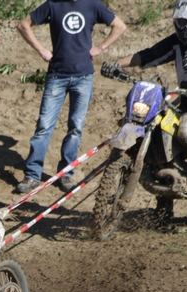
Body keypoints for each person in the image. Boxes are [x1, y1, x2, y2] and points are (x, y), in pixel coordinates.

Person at [103, 0, 187, 201]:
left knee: (186, 130)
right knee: (158, 126)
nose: (185, 28)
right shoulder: (177, 42)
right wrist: (117, 65)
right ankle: (165, 198)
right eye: (181, 22)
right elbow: (149, 55)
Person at [14, 0, 126, 194]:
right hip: (57, 76)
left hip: (83, 77)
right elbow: (24, 25)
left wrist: (100, 48)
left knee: (76, 128)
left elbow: (120, 26)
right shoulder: (53, 4)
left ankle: (66, 173)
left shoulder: (93, 5)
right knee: (44, 127)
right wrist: (41, 49)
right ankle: (32, 175)